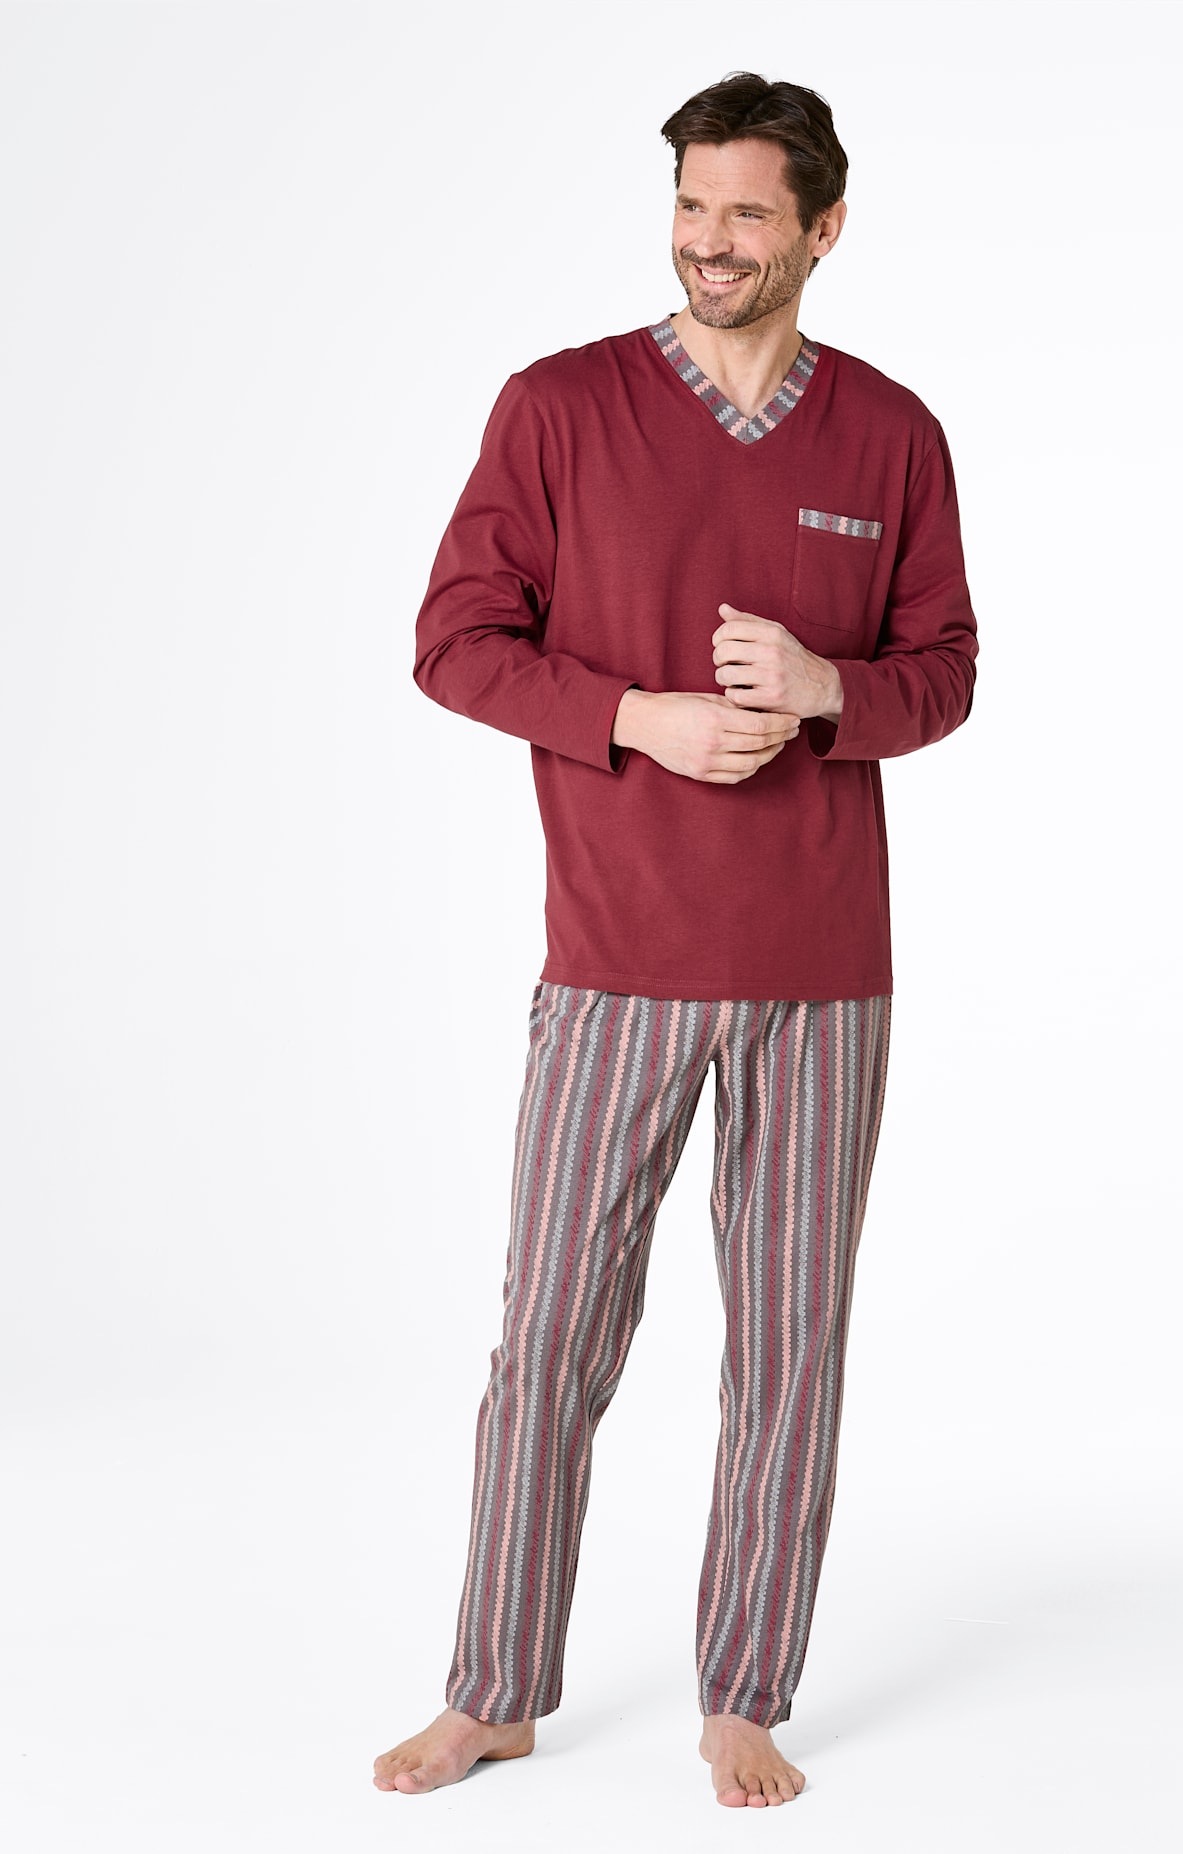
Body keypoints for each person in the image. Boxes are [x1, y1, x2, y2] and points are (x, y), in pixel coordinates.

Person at [373, 70, 980, 1810]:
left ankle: (745, 1694)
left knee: (790, 1349)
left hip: (821, 972)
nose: (710, 241)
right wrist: (637, 714)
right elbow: (454, 640)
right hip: (614, 958)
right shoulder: (559, 408)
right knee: (550, 1336)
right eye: (691, 206)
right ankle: (494, 1689)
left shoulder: (892, 433)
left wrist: (828, 688)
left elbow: (945, 671)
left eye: (747, 214)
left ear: (824, 230)